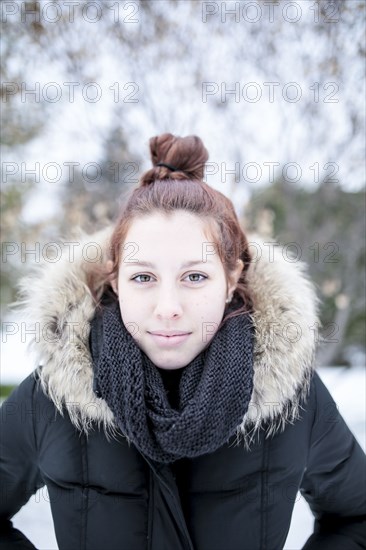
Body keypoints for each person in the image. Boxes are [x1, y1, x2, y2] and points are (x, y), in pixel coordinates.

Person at [0, 133, 365, 550]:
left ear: (231, 279)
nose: (168, 307)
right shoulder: (50, 398)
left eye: (194, 277)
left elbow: (355, 516)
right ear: (115, 280)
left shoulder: (295, 400)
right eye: (143, 277)